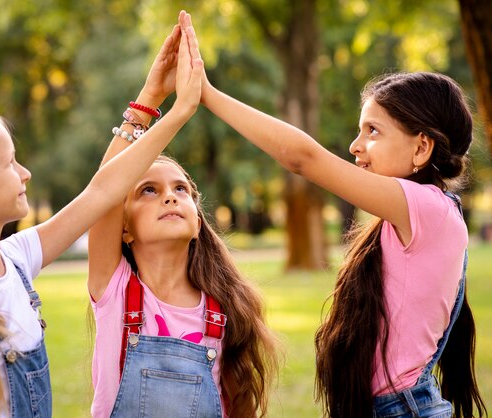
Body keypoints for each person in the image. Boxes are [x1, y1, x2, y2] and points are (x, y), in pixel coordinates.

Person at [181, 13, 488, 418]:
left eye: (373, 132)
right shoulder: (410, 217)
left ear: (421, 148)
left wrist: (207, 95)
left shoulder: (428, 209)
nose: (355, 145)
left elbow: (303, 159)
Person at [0, 19, 202, 418]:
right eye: (9, 163)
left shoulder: (19, 258)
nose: (25, 173)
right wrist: (178, 114)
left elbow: (102, 192)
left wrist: (148, 101)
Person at [86, 11, 279, 418]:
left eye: (181, 190)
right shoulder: (115, 290)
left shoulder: (225, 311)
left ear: (197, 222)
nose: (170, 198)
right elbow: (104, 188)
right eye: (148, 191)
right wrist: (150, 99)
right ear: (123, 228)